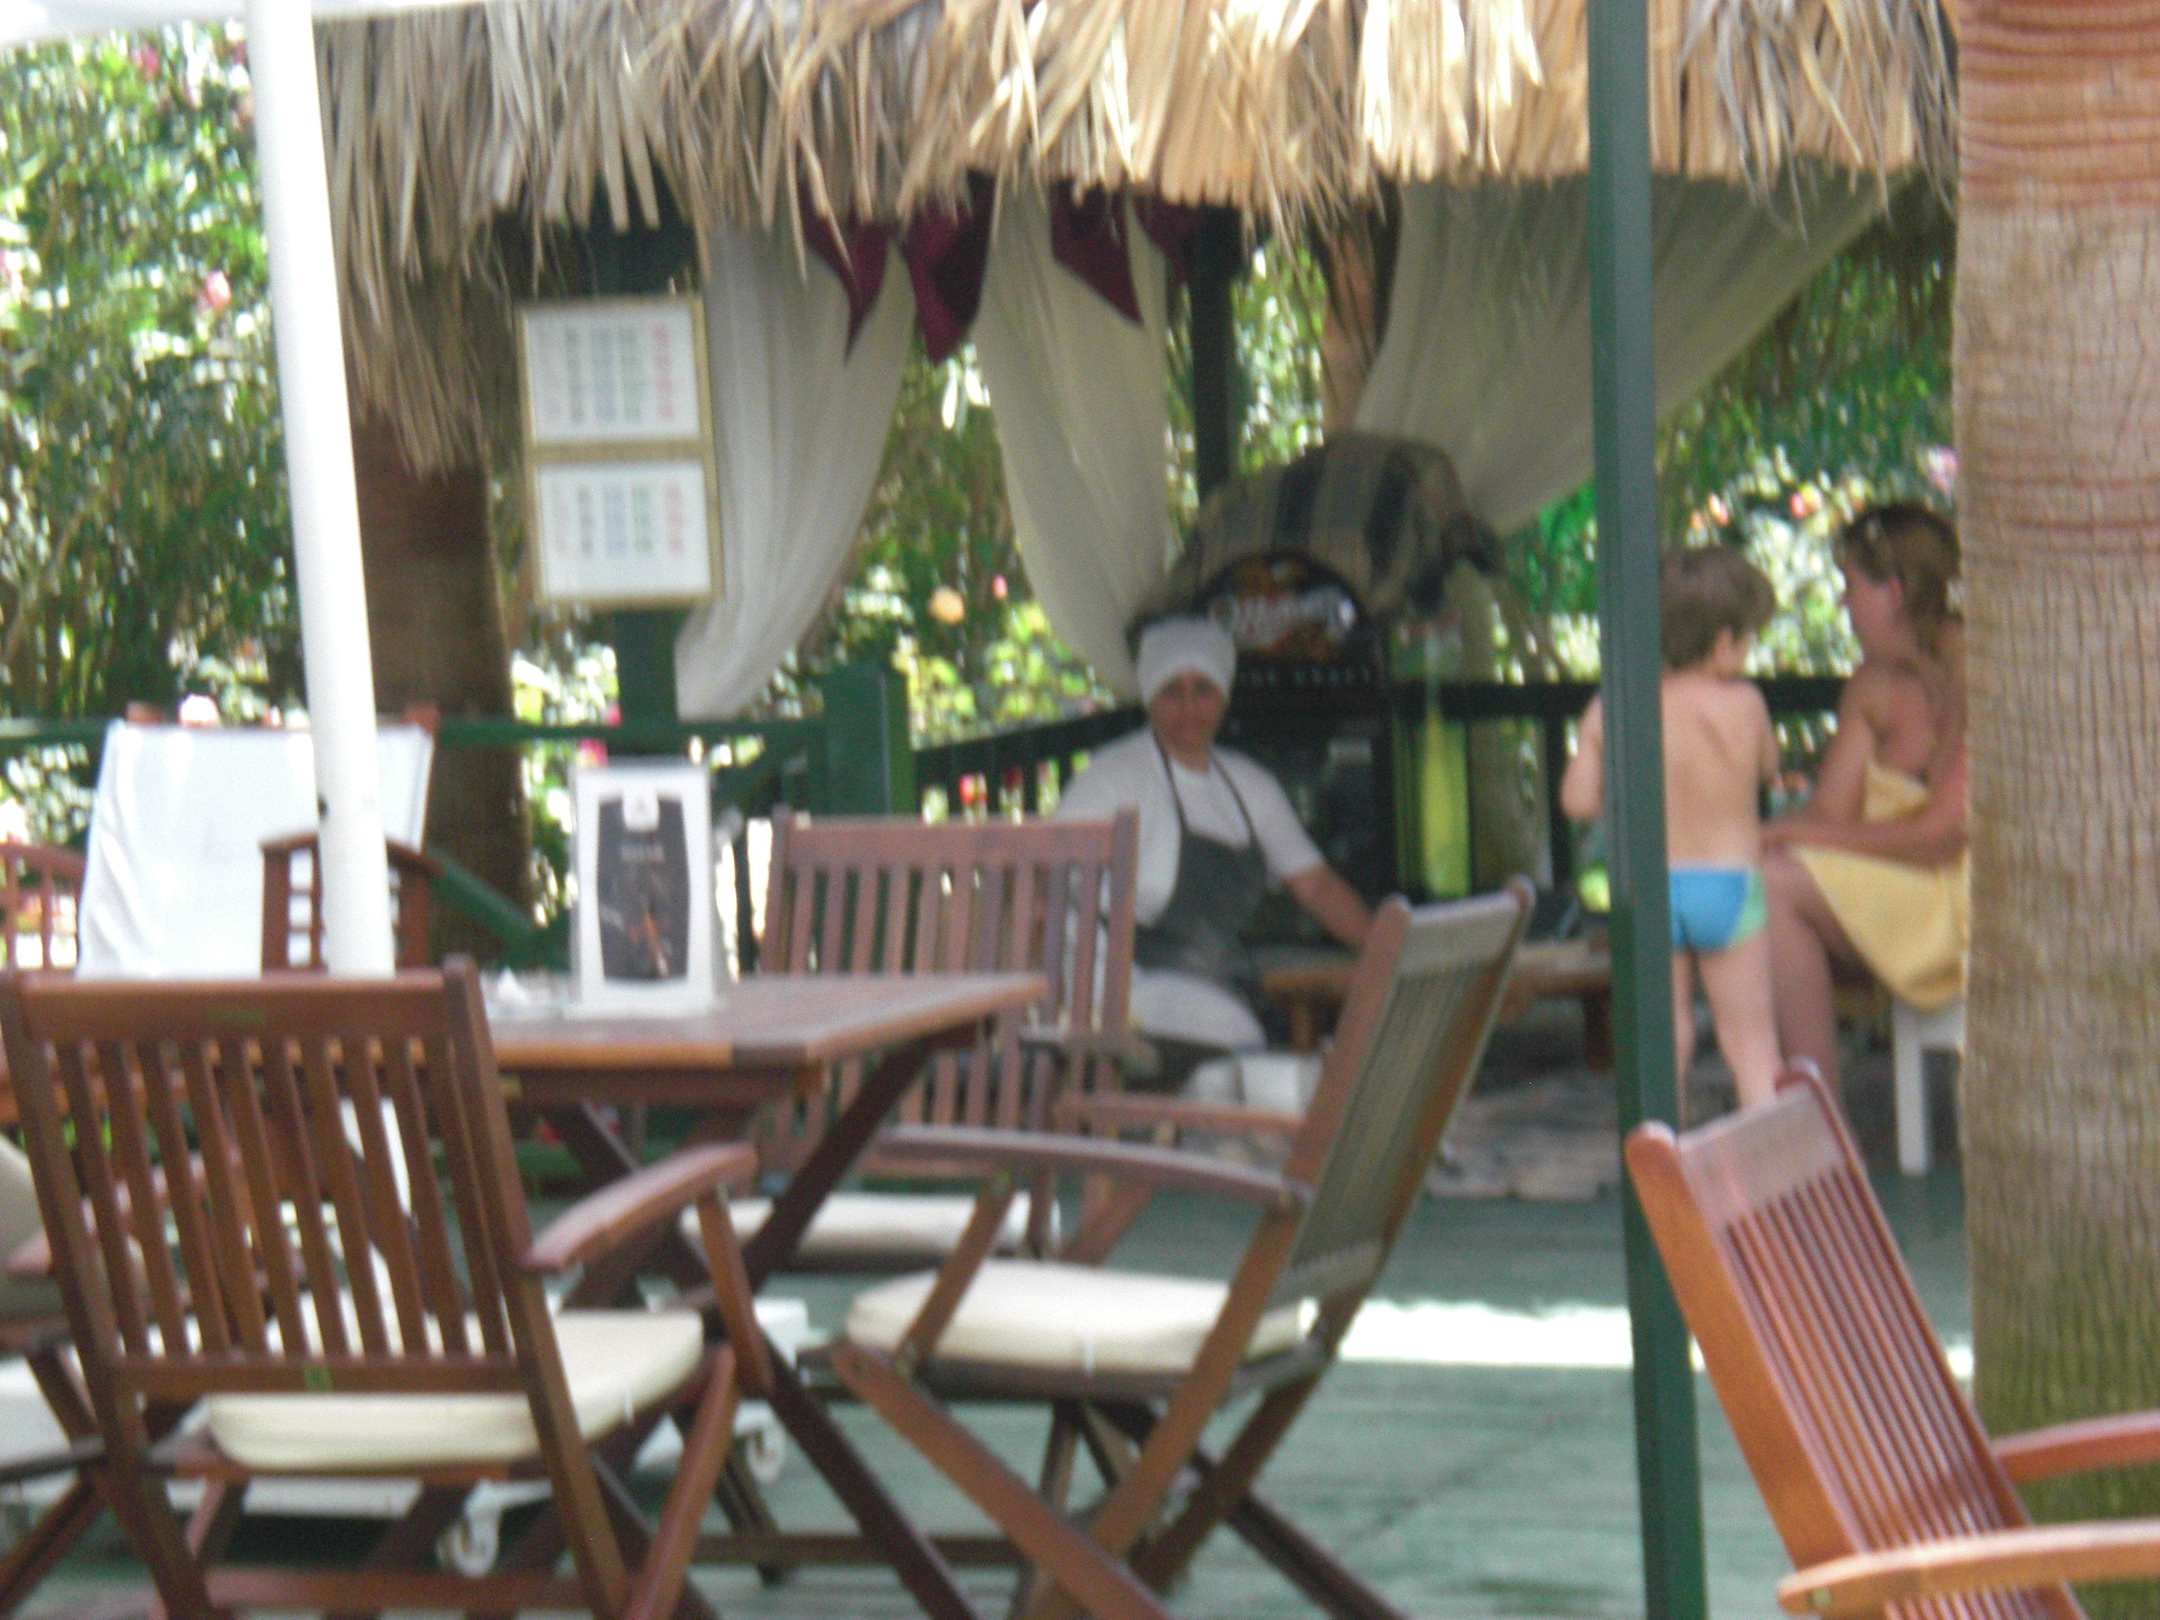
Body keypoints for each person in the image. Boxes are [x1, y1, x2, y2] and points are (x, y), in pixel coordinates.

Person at [1054, 615, 1372, 1081]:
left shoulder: (1249, 785)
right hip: (1120, 983)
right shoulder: (1110, 779)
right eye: (1172, 691)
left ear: (1223, 696)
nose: (1189, 707)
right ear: (1150, 698)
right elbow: (1051, 879)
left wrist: (1384, 948)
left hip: (1211, 977)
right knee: (1239, 1040)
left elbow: (1315, 885)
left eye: (1202, 690)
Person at [1560, 545, 1782, 1112]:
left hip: (1653, 886)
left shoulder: (1617, 706)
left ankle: (1667, 1148)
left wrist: (1610, 777)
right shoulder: (1745, 704)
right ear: (1724, 642)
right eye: (1748, 638)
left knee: (1664, 1040)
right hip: (1730, 886)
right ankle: (1766, 1146)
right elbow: (1768, 769)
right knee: (1751, 1042)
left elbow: (1577, 801)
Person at [1760, 503, 1967, 1090]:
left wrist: (1783, 831)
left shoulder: (1979, 672)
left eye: (1850, 587)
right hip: (1904, 887)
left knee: (1774, 882)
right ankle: (1803, 1099)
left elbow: (1939, 837)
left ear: (1894, 593)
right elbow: (1830, 813)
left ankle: (1813, 1109)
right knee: (1760, 872)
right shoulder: (1872, 684)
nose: (1843, 605)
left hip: (1974, 900)